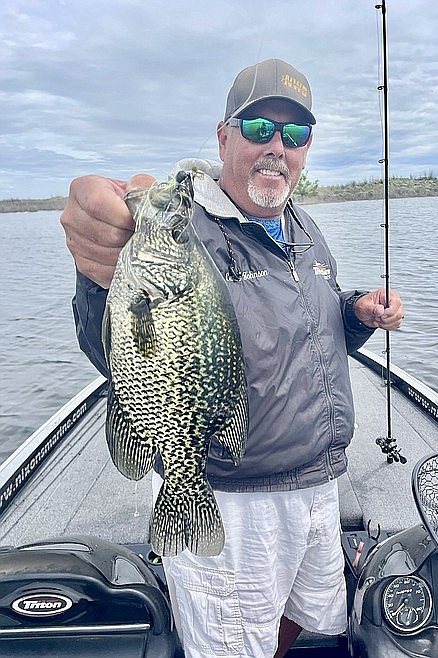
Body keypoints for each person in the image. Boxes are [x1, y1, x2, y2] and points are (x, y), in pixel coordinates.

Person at [61, 58, 404, 658]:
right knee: (229, 644)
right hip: (235, 497)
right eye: (258, 129)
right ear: (224, 136)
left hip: (318, 484)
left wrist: (355, 315)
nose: (277, 147)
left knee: (310, 618)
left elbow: (310, 327)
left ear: (306, 148)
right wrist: (98, 275)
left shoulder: (305, 230)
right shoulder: (185, 230)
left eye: (294, 135)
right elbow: (115, 348)